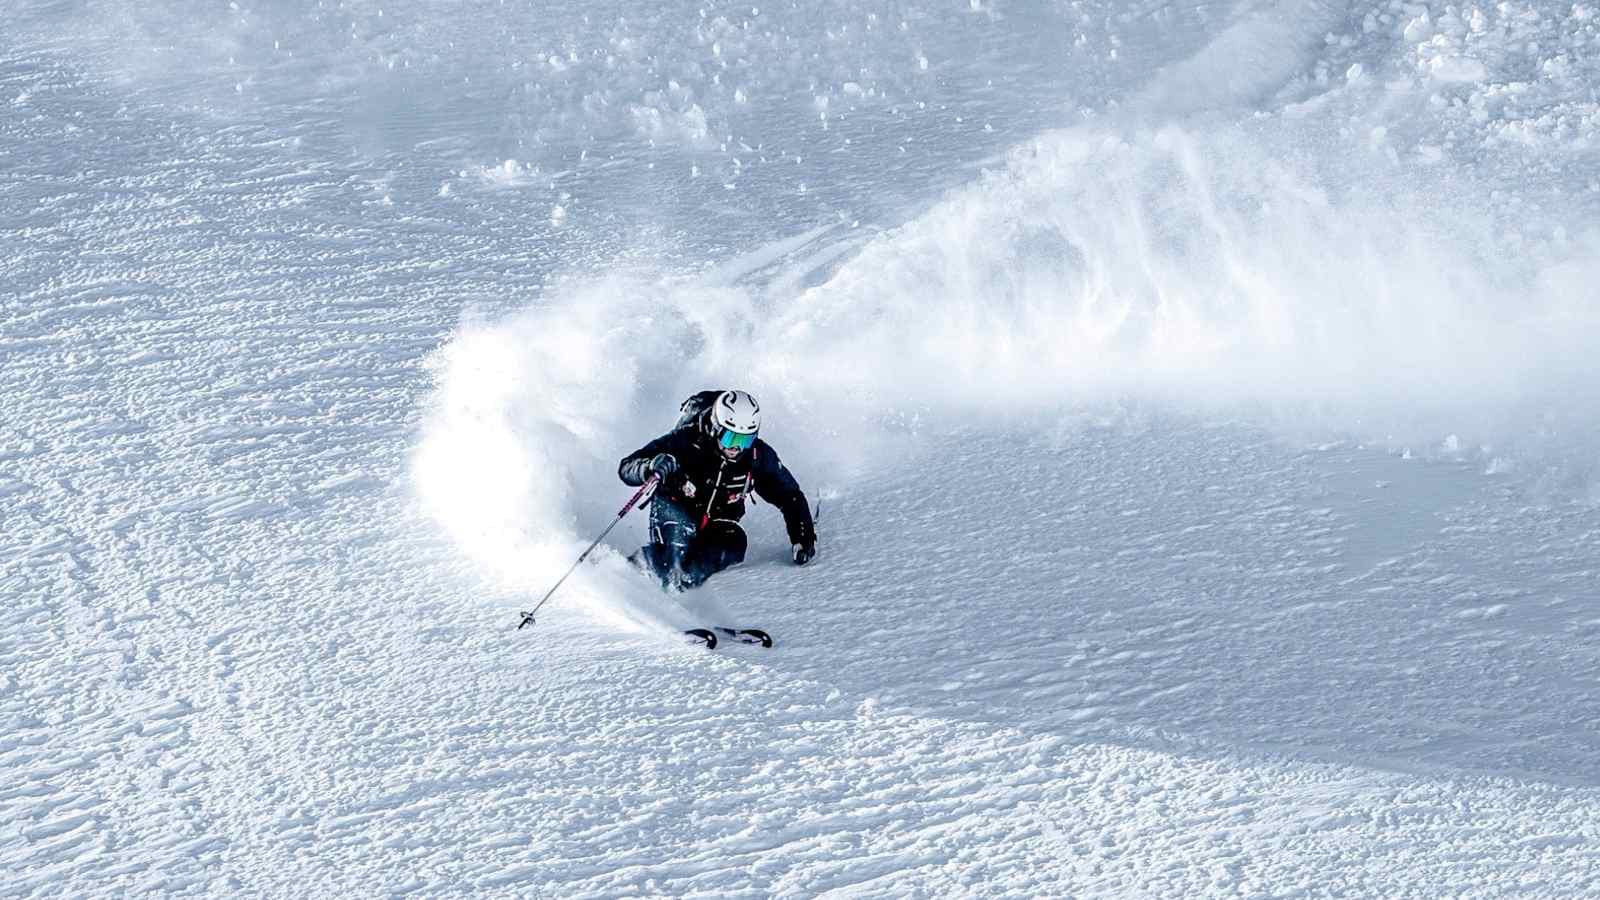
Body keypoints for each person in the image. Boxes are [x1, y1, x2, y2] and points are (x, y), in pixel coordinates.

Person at [619, 390, 816, 591]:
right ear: (715, 427)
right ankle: (620, 577)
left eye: (745, 440)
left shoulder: (756, 456)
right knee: (675, 556)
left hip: (717, 521)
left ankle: (681, 599)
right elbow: (627, 467)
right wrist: (651, 465)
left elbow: (790, 495)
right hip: (676, 506)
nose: (736, 448)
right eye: (730, 438)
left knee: (734, 544)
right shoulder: (686, 441)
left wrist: (803, 538)